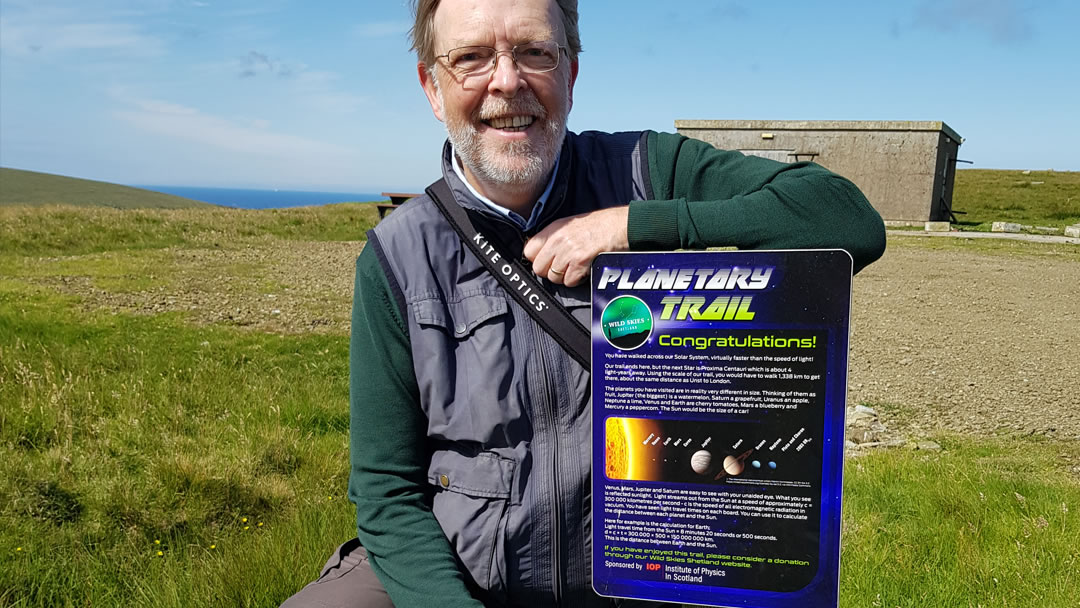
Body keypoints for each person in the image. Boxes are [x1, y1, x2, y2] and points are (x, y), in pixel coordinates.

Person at [281, 0, 885, 606]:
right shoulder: (397, 254)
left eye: (535, 52)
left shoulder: (650, 170)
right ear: (432, 88)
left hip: (653, 572)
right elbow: (386, 493)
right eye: (469, 58)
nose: (508, 81)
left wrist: (637, 225)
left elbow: (846, 219)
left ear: (569, 73)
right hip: (463, 574)